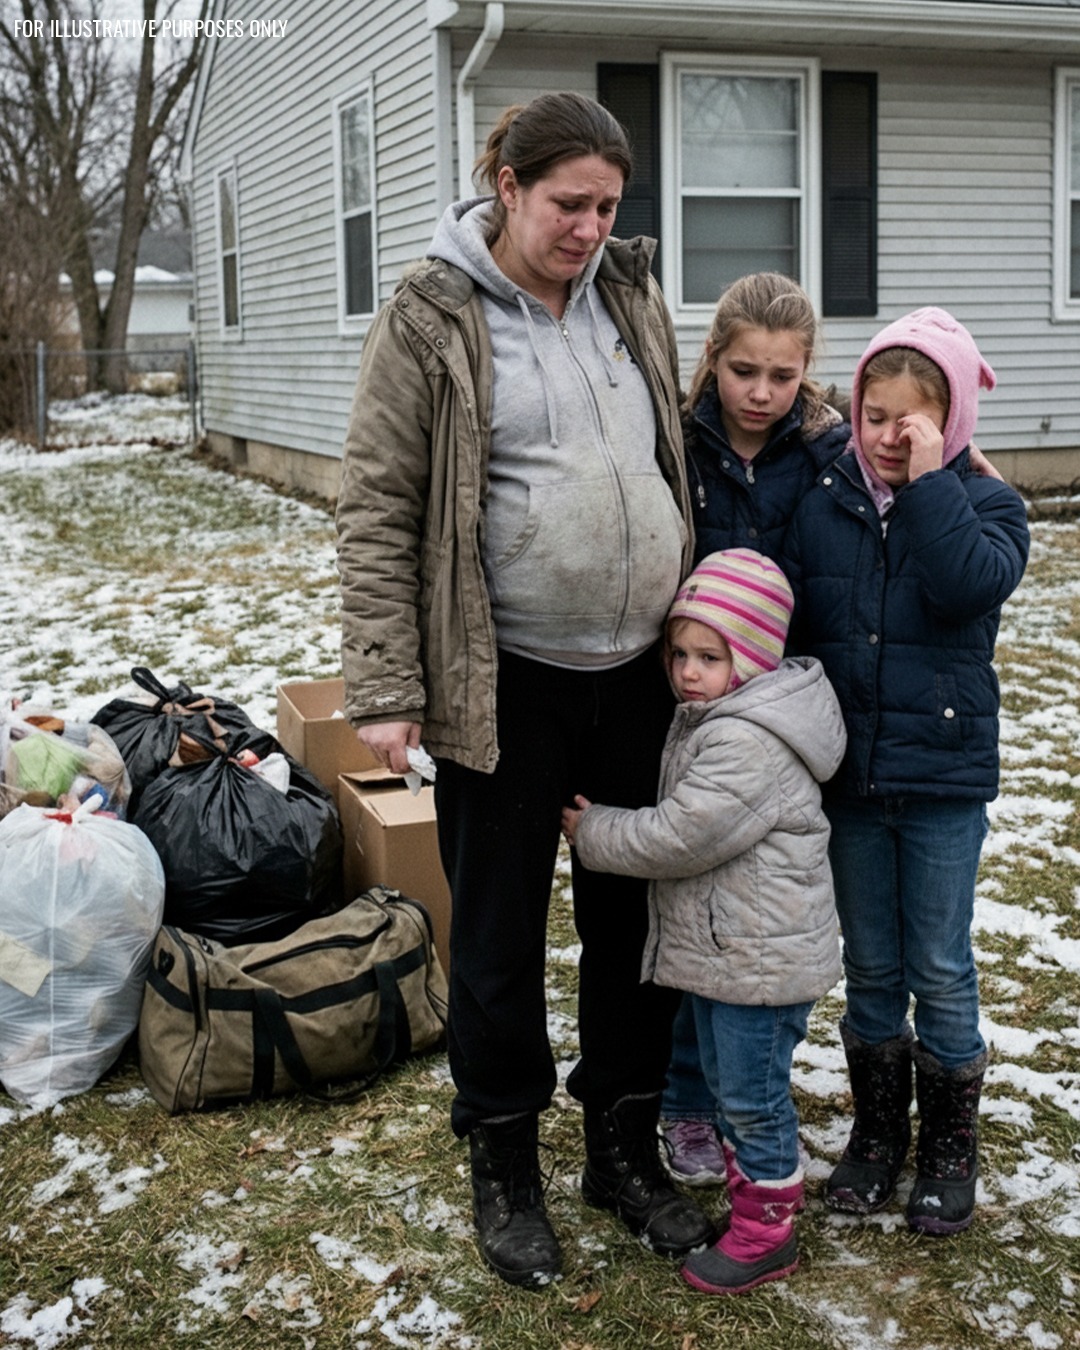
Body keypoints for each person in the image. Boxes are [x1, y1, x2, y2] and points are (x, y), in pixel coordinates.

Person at [335, 91, 712, 1289]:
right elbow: (379, 507)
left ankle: (622, 1149)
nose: (591, 228)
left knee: (632, 926)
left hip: (640, 676)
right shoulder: (430, 315)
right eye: (568, 204)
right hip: (503, 684)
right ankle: (504, 1162)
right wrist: (386, 684)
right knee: (499, 936)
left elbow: (674, 447)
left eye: (609, 206)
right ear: (507, 187)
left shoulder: (630, 295)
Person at [782, 307, 1030, 1235]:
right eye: (874, 416)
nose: (889, 436)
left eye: (913, 421)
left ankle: (949, 1145)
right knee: (873, 965)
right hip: (851, 779)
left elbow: (967, 585)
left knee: (940, 964)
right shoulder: (825, 501)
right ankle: (879, 1132)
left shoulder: (990, 507)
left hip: (941, 786)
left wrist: (931, 485)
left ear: (952, 419)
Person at [561, 548, 847, 1294]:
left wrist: (594, 831)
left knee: (752, 1099)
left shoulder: (745, 740)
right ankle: (753, 1202)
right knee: (735, 1090)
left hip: (761, 963)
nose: (688, 672)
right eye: (680, 654)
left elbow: (680, 836)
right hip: (740, 953)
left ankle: (767, 1234)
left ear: (752, 658)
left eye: (710, 658)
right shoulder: (720, 715)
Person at [661, 273, 851, 1185]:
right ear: (713, 357)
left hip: (783, 710)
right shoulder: (675, 437)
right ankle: (687, 1098)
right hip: (691, 697)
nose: (762, 393)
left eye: (783, 375)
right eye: (744, 371)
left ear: (806, 371)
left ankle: (751, 1091)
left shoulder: (828, 452)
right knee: (693, 905)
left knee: (760, 912)